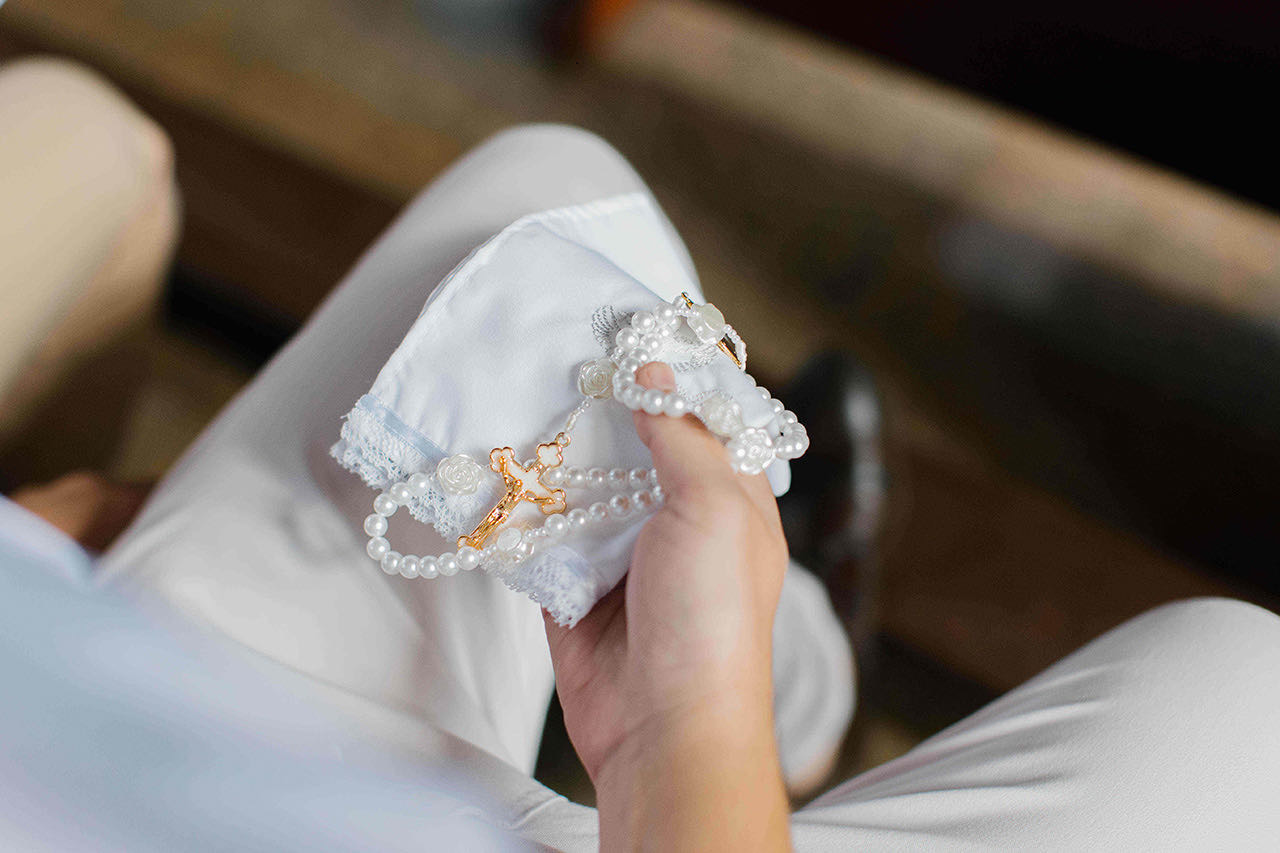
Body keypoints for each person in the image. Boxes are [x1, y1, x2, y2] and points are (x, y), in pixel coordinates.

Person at [3, 58, 1279, 851]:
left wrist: (34, 566)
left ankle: (786, 674)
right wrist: (682, 731)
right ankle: (782, 690)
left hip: (128, 726)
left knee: (546, 198)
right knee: (1251, 706)